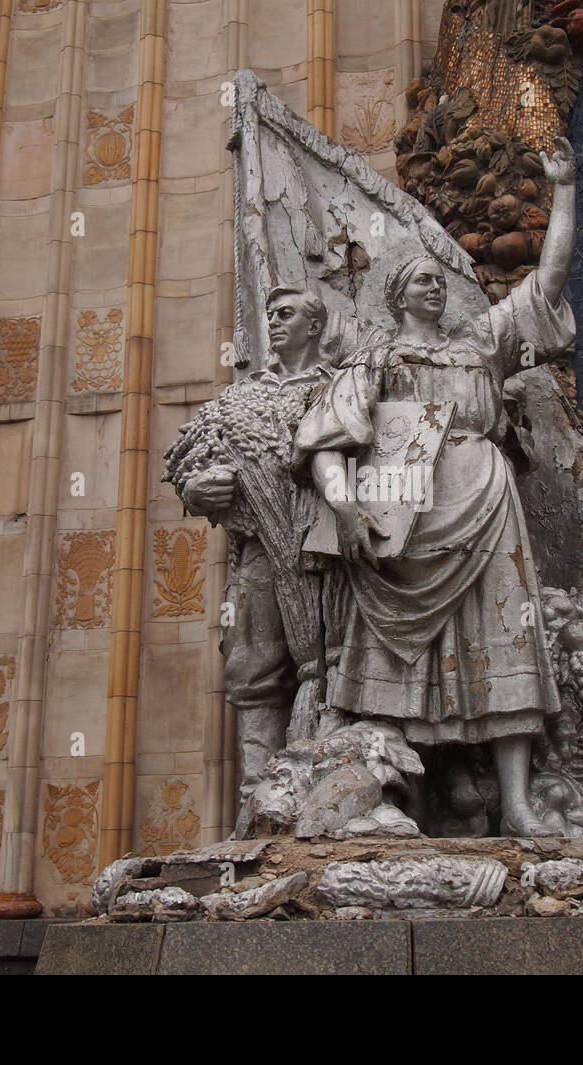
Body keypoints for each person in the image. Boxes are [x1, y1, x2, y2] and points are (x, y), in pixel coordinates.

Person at [292, 138, 579, 836]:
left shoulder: (482, 342)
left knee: (508, 637)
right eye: (419, 278)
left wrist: (565, 191)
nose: (434, 285)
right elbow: (327, 440)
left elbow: (548, 283)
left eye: (437, 279)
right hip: (406, 520)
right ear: (396, 295)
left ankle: (515, 805)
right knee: (394, 654)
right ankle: (381, 799)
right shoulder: (377, 356)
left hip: (486, 501)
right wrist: (345, 504)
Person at [167, 286, 333, 800]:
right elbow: (183, 461)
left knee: (335, 659)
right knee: (253, 663)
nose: (275, 324)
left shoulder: (342, 385)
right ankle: (259, 791)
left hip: (329, 547)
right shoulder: (240, 397)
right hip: (261, 548)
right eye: (270, 316)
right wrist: (195, 491)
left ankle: (327, 779)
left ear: (315, 326)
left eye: (287, 315)